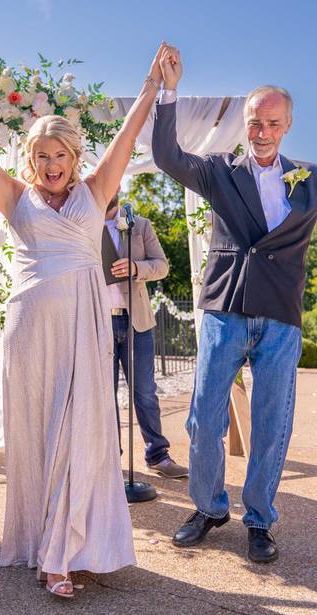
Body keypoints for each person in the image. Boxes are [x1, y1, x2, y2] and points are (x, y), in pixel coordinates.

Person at [0, 43, 174, 598]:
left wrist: (151, 87)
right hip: (30, 330)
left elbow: (127, 136)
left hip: (84, 324)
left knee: (81, 431)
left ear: (75, 158)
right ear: (32, 159)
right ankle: (49, 548)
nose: (53, 167)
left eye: (61, 157)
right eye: (43, 157)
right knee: (39, 437)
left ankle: (67, 551)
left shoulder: (98, 191)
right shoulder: (14, 197)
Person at [152, 47, 317, 562]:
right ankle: (208, 507)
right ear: (246, 124)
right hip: (224, 308)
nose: (262, 131)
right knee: (202, 418)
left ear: (287, 124)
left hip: (280, 318)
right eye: (254, 122)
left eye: (272, 122)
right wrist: (168, 92)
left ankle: (261, 520)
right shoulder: (219, 170)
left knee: (272, 423)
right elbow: (166, 157)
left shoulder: (313, 179)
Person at [103, 194, 188, 478]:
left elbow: (162, 265)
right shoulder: (83, 226)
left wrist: (137, 268)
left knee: (145, 392)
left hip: (136, 322)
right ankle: (110, 460)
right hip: (98, 323)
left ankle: (157, 455)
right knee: (104, 394)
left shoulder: (140, 225)